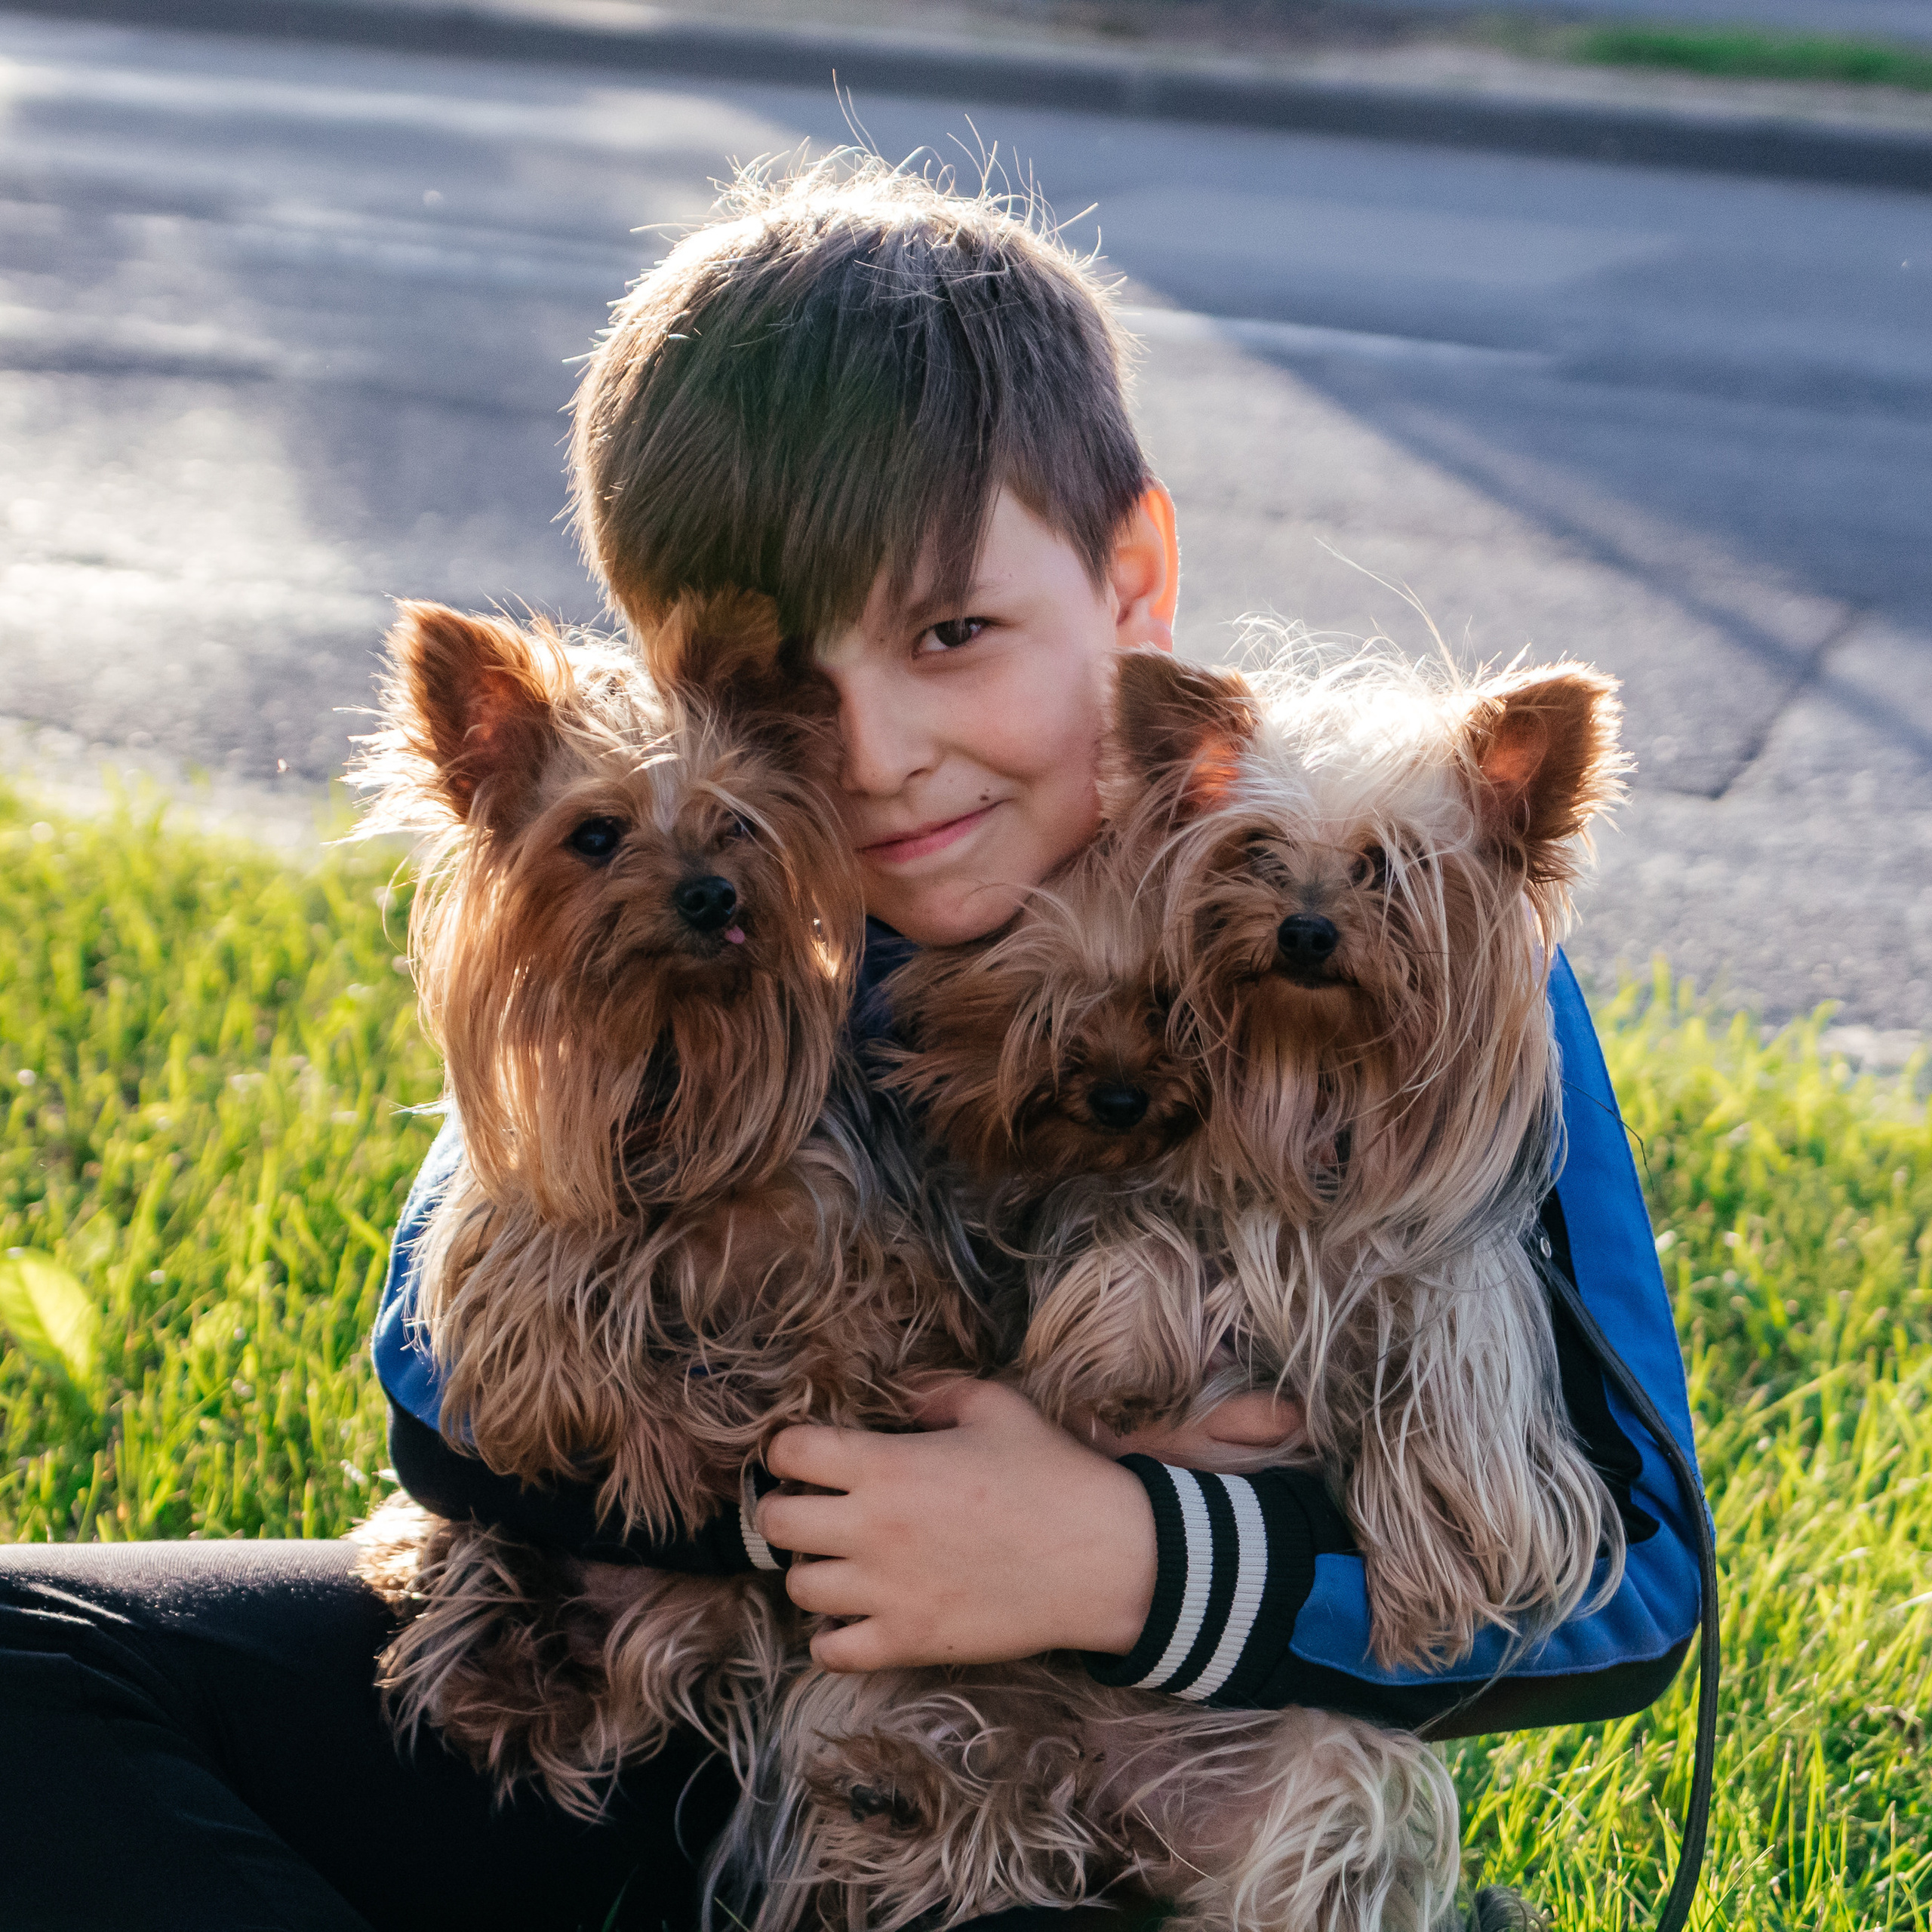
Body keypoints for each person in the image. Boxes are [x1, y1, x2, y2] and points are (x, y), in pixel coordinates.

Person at [0, 158, 1702, 1932]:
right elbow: (454, 1403)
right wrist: (871, 1519)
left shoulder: (1373, 928)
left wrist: (1114, 1555)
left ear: (1132, 578)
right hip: (683, 1729)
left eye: (951, 633)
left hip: (1075, 1814)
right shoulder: (730, 908)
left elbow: (1641, 1587)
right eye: (778, 692)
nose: (876, 753)